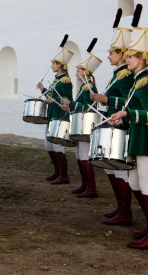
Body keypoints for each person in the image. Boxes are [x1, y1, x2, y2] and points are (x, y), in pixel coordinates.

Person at [109, 25, 148, 250]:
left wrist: (127, 113)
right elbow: (134, 109)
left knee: (146, 184)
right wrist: (121, 117)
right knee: (134, 182)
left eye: (131, 57)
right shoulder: (137, 80)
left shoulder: (147, 82)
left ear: (142, 59)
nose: (127, 60)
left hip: (147, 138)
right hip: (137, 136)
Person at [91, 19, 134, 226]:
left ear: (121, 54)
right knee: (110, 167)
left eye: (111, 53)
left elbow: (129, 101)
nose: (108, 56)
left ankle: (126, 211)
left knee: (119, 168)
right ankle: (121, 207)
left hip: (122, 125)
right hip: (113, 123)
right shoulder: (118, 74)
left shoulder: (125, 74)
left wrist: (108, 100)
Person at [61, 39, 101, 198]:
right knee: (79, 155)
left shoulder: (89, 88)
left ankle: (91, 188)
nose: (76, 73)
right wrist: (70, 106)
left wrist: (73, 103)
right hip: (80, 124)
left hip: (86, 124)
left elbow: (89, 108)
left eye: (79, 71)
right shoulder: (84, 88)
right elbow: (81, 105)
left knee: (84, 155)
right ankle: (85, 184)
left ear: (86, 73)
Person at [37, 36, 73, 184]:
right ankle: (57, 171)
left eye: (54, 63)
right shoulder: (57, 79)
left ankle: (64, 175)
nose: (52, 65)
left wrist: (54, 100)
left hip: (60, 114)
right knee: (48, 144)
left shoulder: (65, 81)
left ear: (60, 65)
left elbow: (67, 98)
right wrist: (43, 89)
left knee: (57, 144)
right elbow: (52, 96)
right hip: (52, 114)